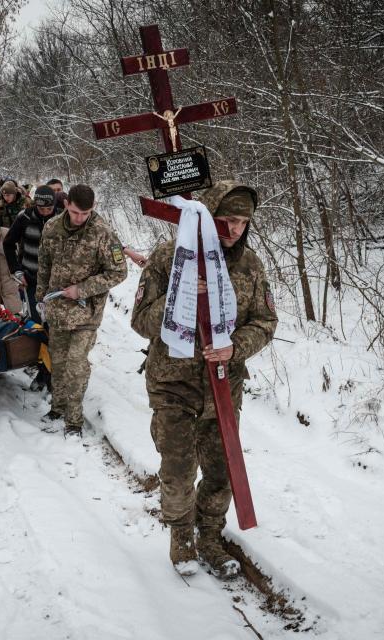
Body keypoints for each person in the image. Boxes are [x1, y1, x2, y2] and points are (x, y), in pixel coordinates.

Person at [130, 180, 277, 579]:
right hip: (173, 385)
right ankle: (181, 536)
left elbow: (266, 322)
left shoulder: (250, 266)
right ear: (207, 218)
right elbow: (139, 320)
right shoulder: (168, 257)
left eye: (243, 222)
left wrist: (236, 347)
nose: (234, 231)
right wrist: (177, 296)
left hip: (223, 388)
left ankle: (210, 534)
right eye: (227, 221)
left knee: (221, 471)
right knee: (178, 470)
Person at [36, 184, 127, 436]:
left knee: (76, 364)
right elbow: (44, 264)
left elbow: (119, 272)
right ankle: (58, 408)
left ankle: (73, 422)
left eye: (85, 214)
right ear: (66, 204)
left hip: (86, 312)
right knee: (59, 361)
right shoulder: (52, 228)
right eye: (75, 212)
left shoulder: (103, 233)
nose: (79, 218)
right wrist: (40, 297)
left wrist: (83, 289)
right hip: (57, 309)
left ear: (92, 209)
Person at [4, 185, 58, 391]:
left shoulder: (61, 218)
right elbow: (8, 244)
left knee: (53, 326)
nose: (46, 212)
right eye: (42, 208)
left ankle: (50, 371)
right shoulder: (24, 218)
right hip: (31, 279)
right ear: (36, 204)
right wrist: (16, 271)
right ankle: (43, 370)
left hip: (55, 282)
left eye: (49, 208)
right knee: (38, 325)